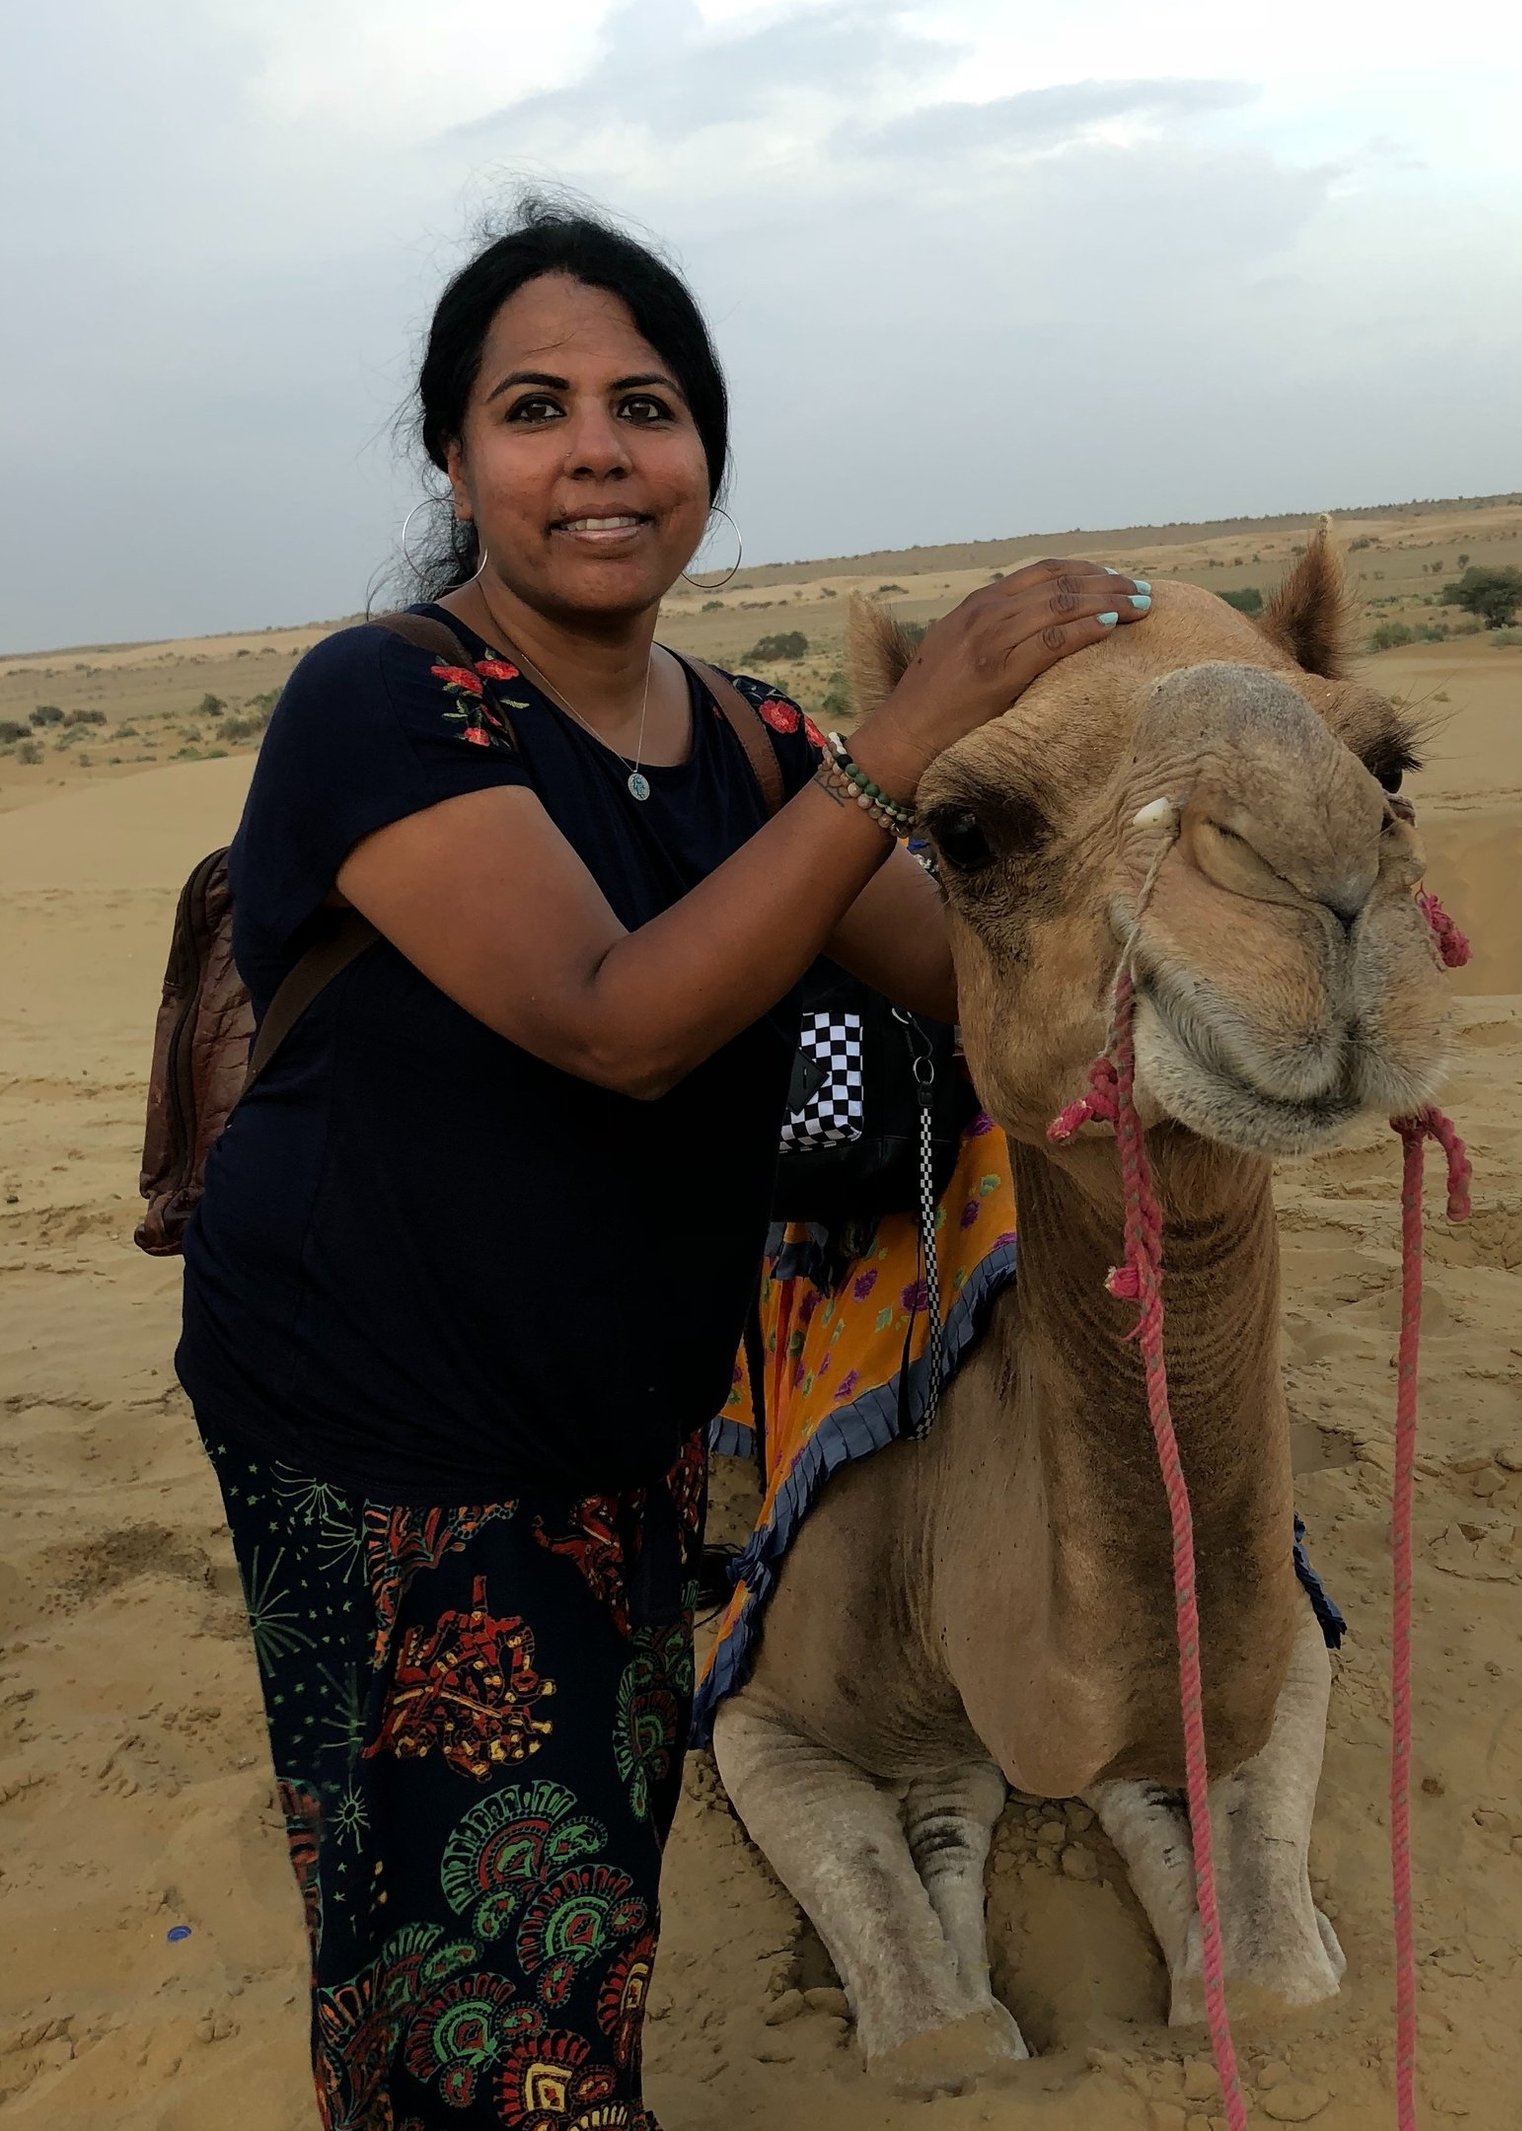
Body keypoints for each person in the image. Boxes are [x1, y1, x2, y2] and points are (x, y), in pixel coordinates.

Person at [175, 198, 1150, 2131]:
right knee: (471, 1950)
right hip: (384, 1432)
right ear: (456, 458)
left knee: (576, 1881)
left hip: (623, 1433)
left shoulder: (751, 741)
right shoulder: (388, 703)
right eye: (535, 409)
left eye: (647, 406)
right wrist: (912, 730)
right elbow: (621, 1018)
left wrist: (1237, 910)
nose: (599, 452)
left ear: (705, 453)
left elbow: (969, 989)